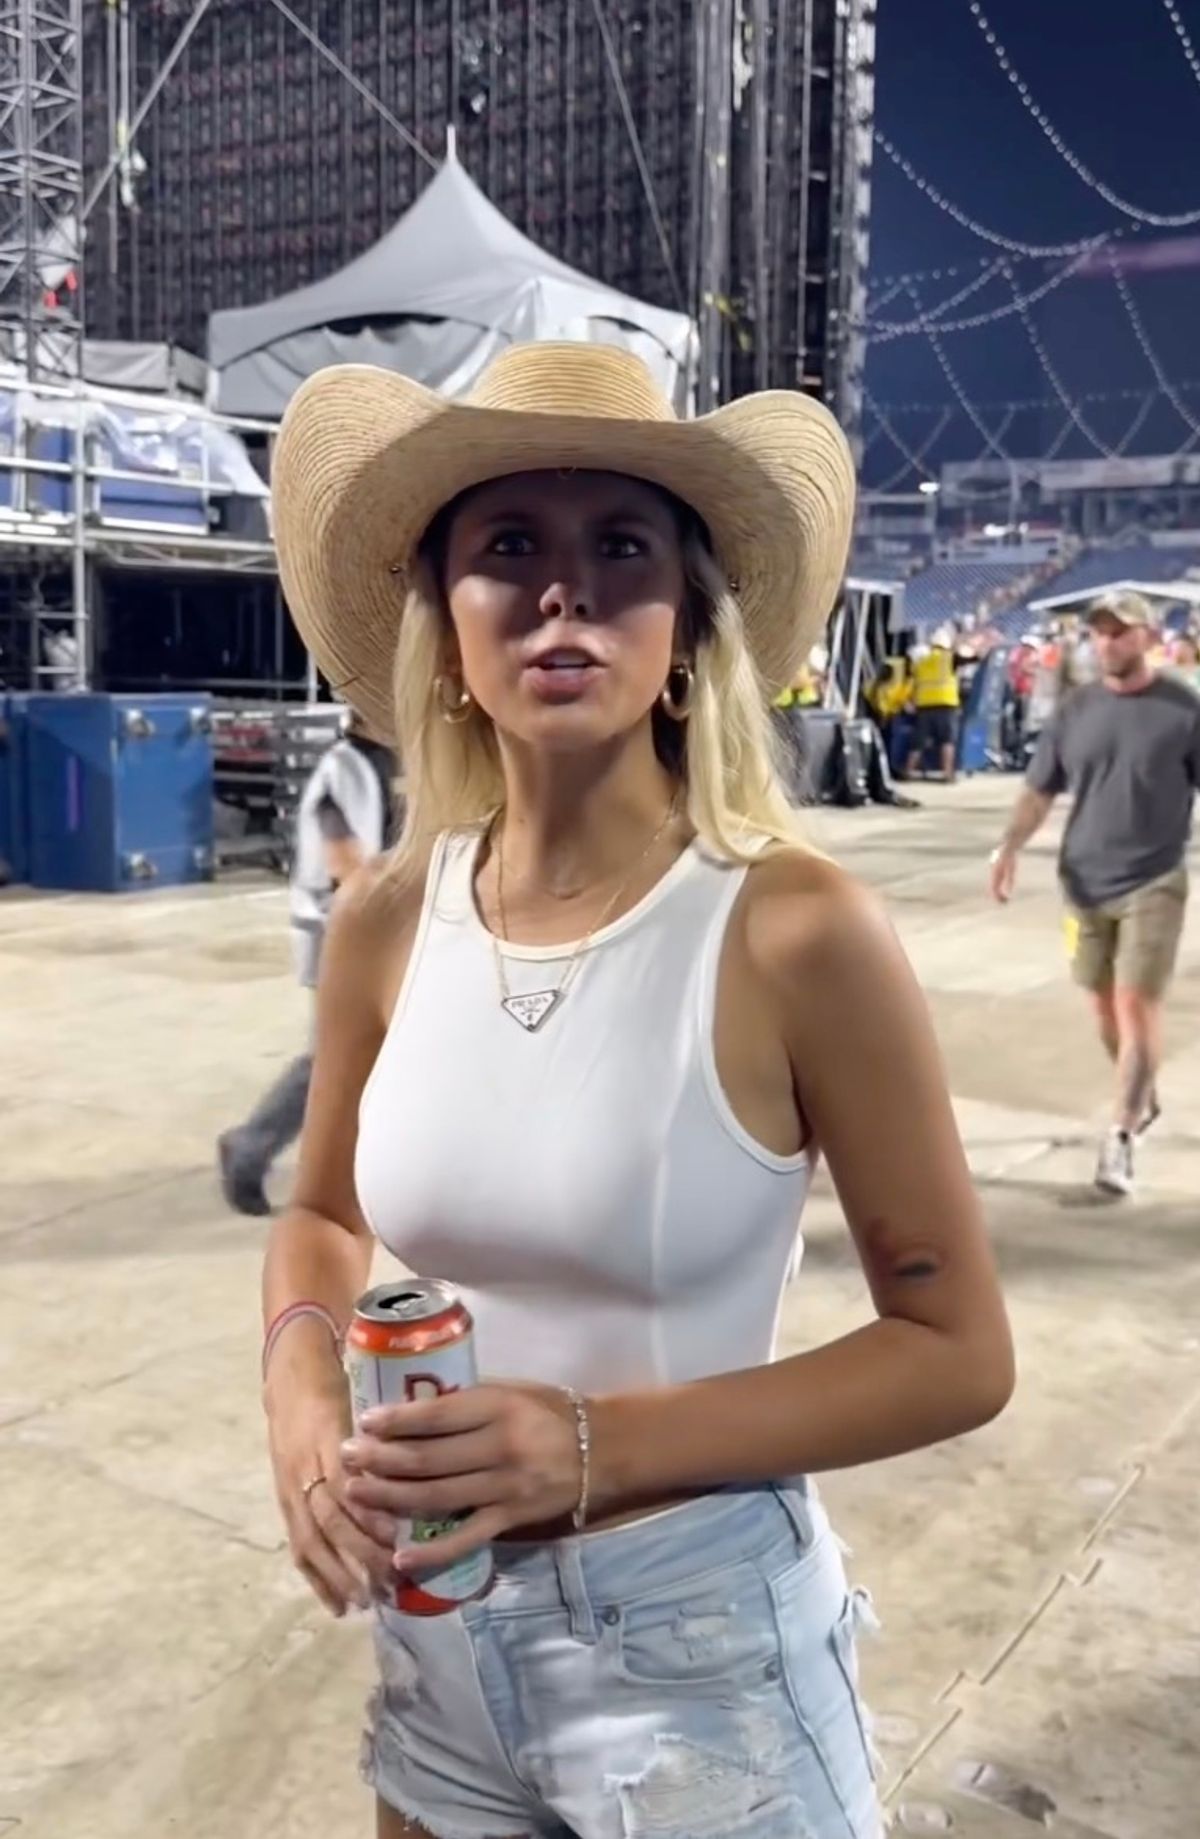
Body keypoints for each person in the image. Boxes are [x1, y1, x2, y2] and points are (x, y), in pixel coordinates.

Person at [261, 343, 1014, 1839]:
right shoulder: (390, 919)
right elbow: (326, 1213)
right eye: (508, 547)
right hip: (438, 1624)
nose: (564, 591)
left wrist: (594, 1443)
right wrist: (300, 1396)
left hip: (698, 1653)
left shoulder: (794, 929)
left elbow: (956, 1349)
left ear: (684, 631)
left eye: (620, 547)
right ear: (444, 625)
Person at [990, 589, 1200, 1197]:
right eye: (1100, 632)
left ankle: (1122, 1135)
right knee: (1104, 1010)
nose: (1108, 641)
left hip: (1154, 880)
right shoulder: (1076, 710)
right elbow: (1039, 790)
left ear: (1149, 637)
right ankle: (1142, 1091)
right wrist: (1008, 848)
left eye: (1121, 631)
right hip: (1082, 882)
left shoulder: (1183, 710)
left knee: (1135, 1007)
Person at [218, 709, 396, 1215]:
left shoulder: (383, 763)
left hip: (369, 924)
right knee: (333, 1056)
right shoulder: (347, 765)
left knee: (370, 1052)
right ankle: (250, 1147)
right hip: (338, 928)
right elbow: (345, 859)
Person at [906, 624, 961, 783]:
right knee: (947, 741)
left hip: (924, 705)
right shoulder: (950, 658)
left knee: (918, 741)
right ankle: (947, 774)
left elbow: (912, 680)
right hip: (946, 704)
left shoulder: (921, 660)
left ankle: (909, 771)